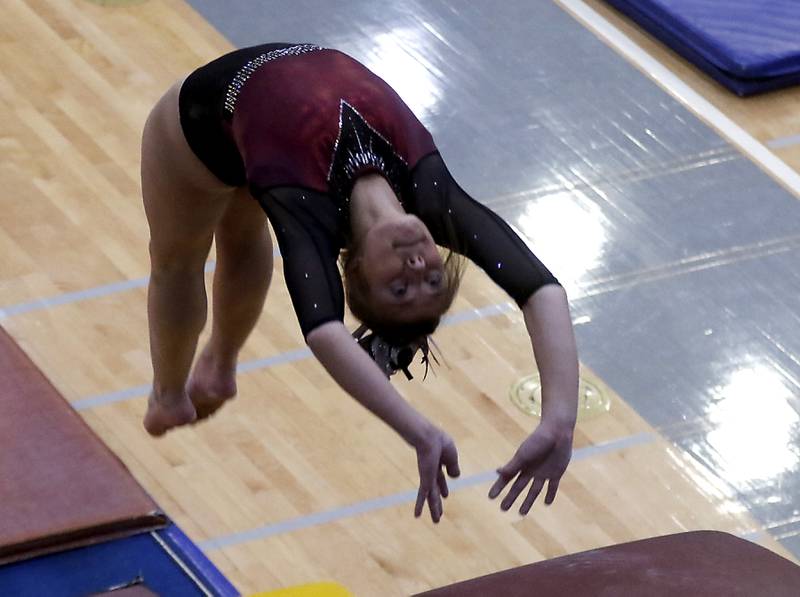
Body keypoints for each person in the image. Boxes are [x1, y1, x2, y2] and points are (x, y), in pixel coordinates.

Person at [140, 42, 579, 522]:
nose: (417, 272)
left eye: (399, 290)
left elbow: (325, 331)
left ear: (355, 273)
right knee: (242, 229)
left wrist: (418, 430)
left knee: (177, 261)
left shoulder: (307, 206)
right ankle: (220, 364)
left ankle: (168, 397)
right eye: (433, 278)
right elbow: (541, 289)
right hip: (246, 126)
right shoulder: (433, 196)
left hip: (202, 126)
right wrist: (560, 417)